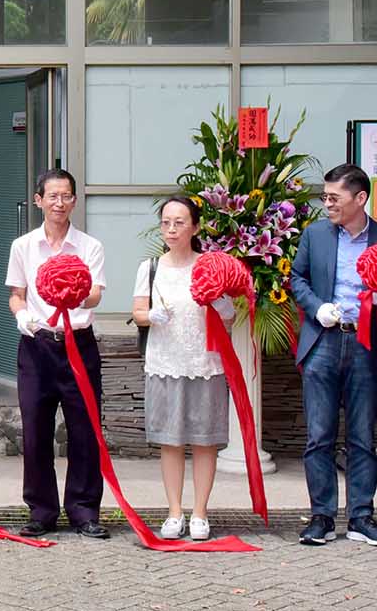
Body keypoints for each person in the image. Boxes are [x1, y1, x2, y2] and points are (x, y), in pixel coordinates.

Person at [290, 164, 377, 547]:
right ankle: (321, 516)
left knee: (362, 437)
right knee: (319, 436)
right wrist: (316, 307)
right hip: (323, 341)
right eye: (324, 197)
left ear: (360, 198)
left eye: (334, 198)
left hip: (366, 343)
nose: (327, 204)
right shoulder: (315, 235)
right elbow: (297, 278)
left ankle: (361, 517)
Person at [7, 169, 110, 539]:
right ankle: (41, 510)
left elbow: (96, 293)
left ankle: (84, 511)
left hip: (78, 345)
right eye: (52, 196)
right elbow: (15, 293)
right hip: (37, 346)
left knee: (84, 430)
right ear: (39, 200)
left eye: (66, 196)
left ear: (74, 201)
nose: (59, 203)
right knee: (35, 430)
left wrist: (73, 293)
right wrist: (22, 315)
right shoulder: (23, 246)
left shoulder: (89, 246)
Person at [130, 196, 236, 541]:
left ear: (195, 226)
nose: (171, 229)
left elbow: (230, 317)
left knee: (205, 442)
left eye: (179, 222)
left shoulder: (210, 266)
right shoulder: (150, 268)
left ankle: (200, 513)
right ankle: (174, 513)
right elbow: (139, 313)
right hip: (164, 364)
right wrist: (152, 317)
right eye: (165, 222)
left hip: (206, 364)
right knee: (170, 442)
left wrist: (220, 302)